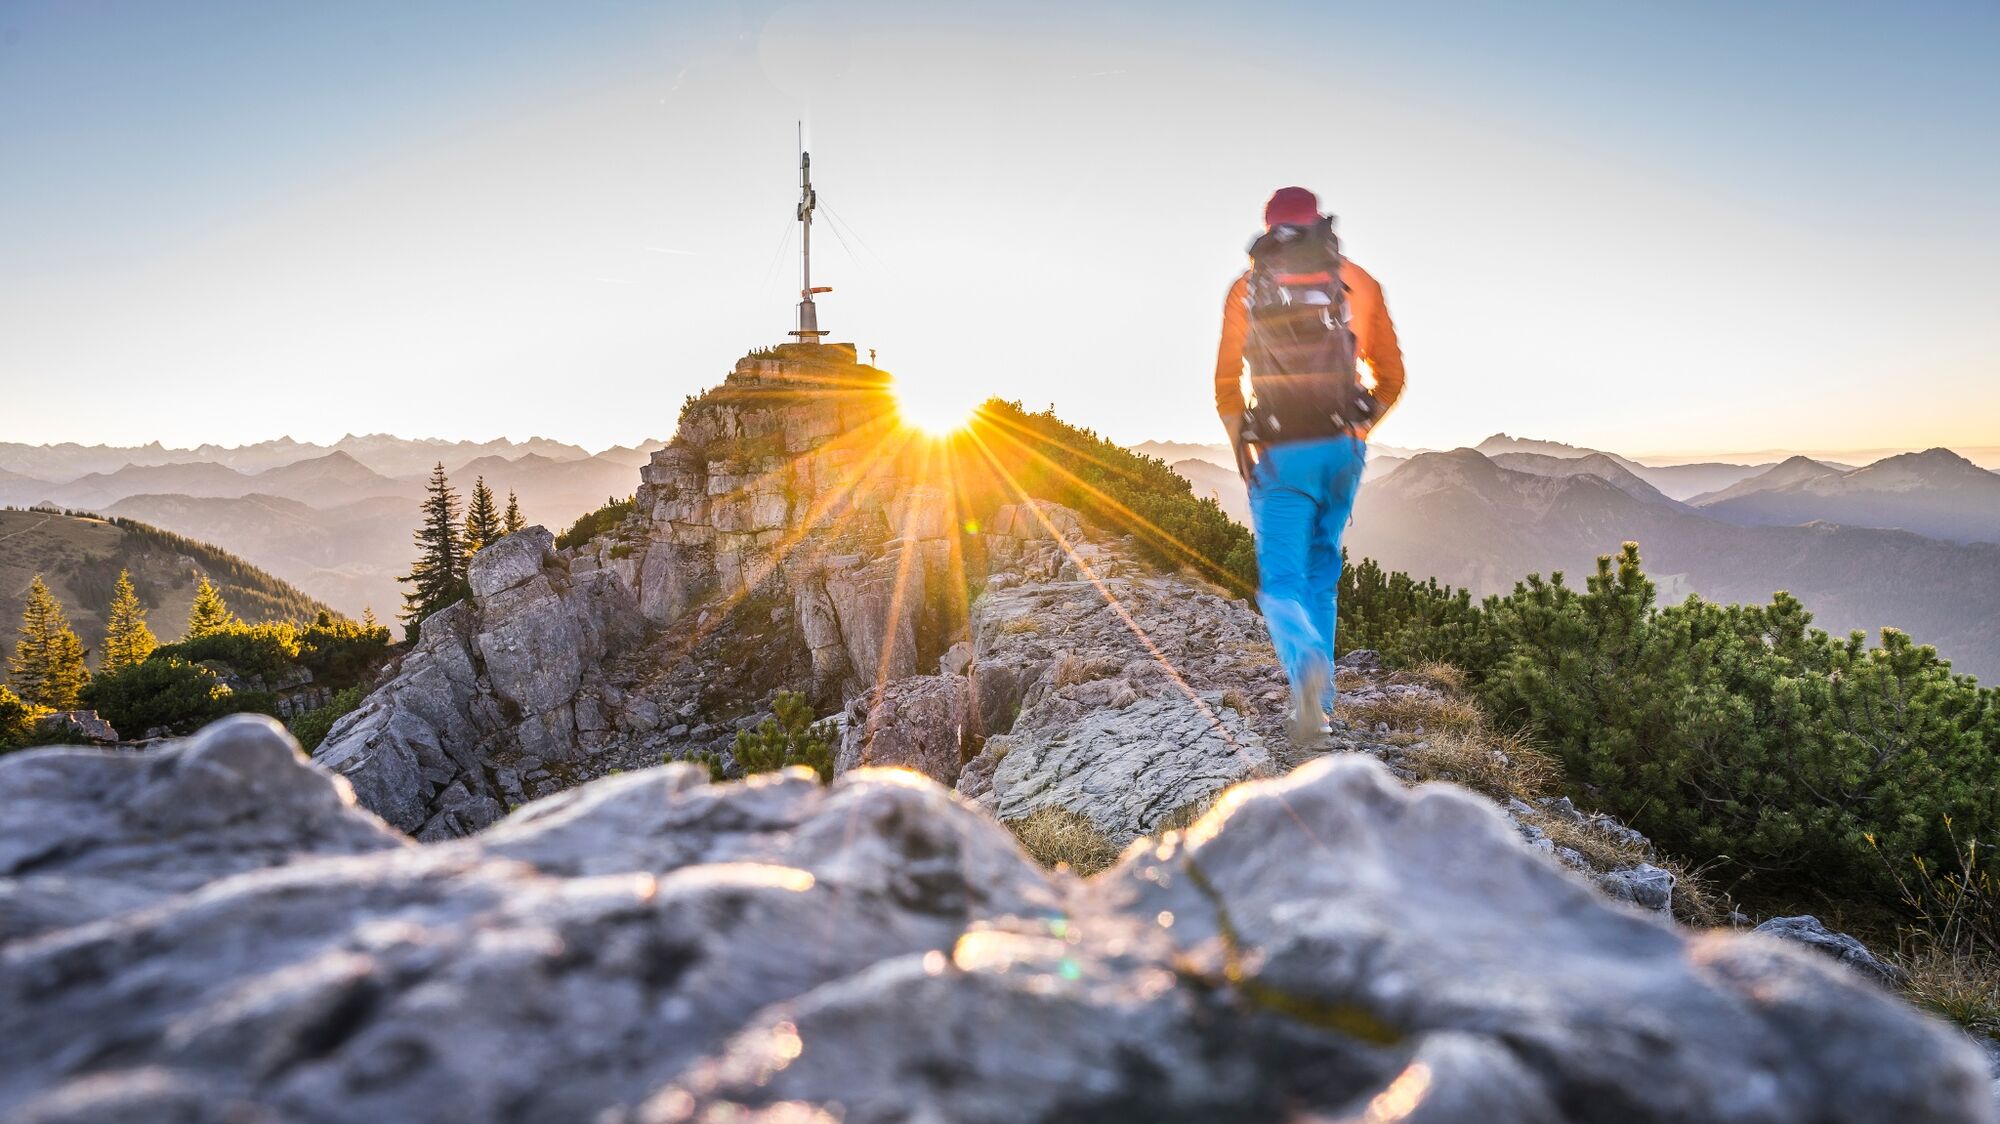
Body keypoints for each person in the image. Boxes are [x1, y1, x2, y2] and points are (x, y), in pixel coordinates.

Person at [1214, 186, 1405, 742]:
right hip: (1340, 453)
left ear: (1269, 229)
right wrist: (1357, 431)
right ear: (1319, 223)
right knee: (1322, 575)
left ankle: (1305, 667)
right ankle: (1319, 711)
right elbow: (1391, 378)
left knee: (1281, 582)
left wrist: (1242, 450)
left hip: (1280, 452)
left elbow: (1226, 385)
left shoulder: (1247, 289)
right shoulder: (1357, 281)